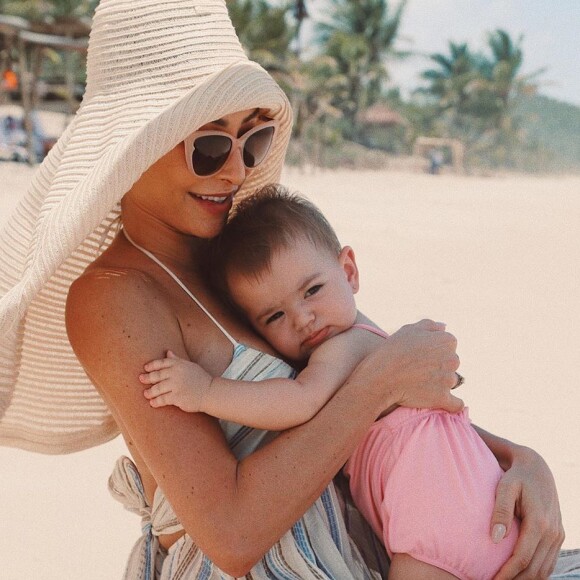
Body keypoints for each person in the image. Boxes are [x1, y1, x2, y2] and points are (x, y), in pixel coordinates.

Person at [0, 1, 573, 579]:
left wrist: (520, 460)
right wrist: (377, 385)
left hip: (365, 553)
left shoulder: (238, 265)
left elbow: (382, 382)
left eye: (251, 141)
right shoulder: (114, 296)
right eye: (208, 146)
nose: (235, 172)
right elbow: (230, 532)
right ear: (131, 144)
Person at [138, 185, 520, 579]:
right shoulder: (373, 342)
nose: (303, 318)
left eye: (312, 290)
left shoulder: (344, 345)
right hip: (476, 500)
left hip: (440, 519)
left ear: (349, 272)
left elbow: (298, 401)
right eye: (274, 317)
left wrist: (205, 392)